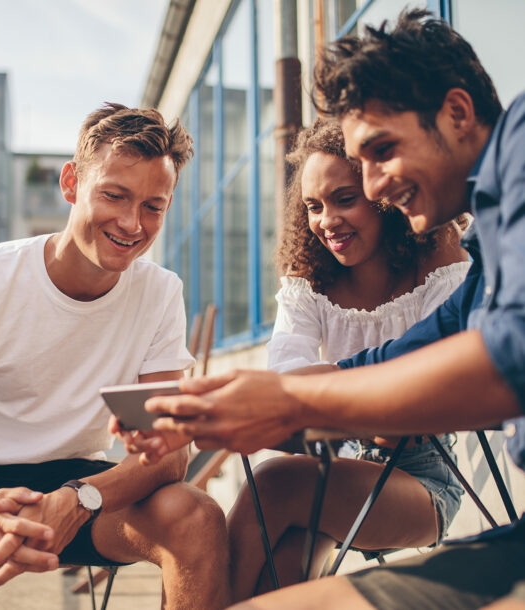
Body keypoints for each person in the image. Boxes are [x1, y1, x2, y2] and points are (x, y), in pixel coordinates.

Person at [133, 8, 525, 609]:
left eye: (381, 151)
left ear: (457, 112)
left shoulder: (520, 156)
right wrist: (227, 402)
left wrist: (288, 402)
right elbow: (404, 353)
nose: (372, 188)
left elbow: (507, 357)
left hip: (431, 489)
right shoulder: (487, 238)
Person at [0, 102, 230, 610]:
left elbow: (168, 453)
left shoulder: (158, 293)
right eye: (114, 195)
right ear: (70, 184)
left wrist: (80, 498)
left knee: (196, 517)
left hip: (82, 488)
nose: (132, 223)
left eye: (154, 205)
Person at [227, 117, 469, 601]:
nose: (326, 221)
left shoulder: (437, 261)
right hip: (340, 464)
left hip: (424, 478)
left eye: (344, 199)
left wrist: (320, 401)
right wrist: (341, 404)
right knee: (285, 570)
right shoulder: (310, 280)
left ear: (384, 195)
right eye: (313, 206)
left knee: (272, 484)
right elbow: (287, 381)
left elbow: (428, 404)